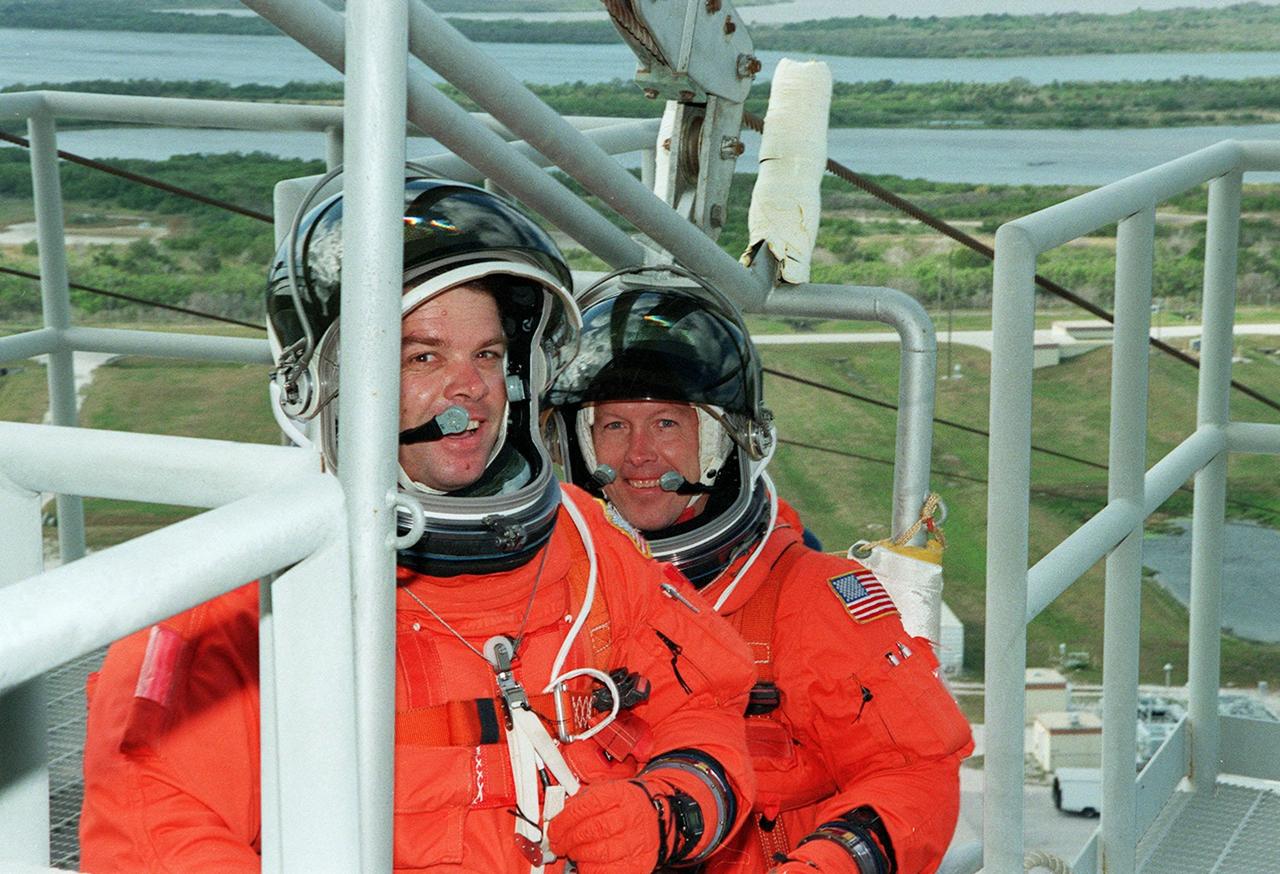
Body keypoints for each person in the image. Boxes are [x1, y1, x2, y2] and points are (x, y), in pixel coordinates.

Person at [80, 180, 758, 873]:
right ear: (329, 384)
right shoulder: (240, 602)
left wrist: (669, 810)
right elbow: (153, 826)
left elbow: (706, 703)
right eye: (423, 356)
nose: (470, 388)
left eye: (488, 355)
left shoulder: (588, 540)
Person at [546, 267, 973, 874]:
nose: (638, 454)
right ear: (582, 445)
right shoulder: (550, 590)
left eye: (667, 423)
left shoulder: (807, 599)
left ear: (724, 442)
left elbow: (914, 771)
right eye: (614, 425)